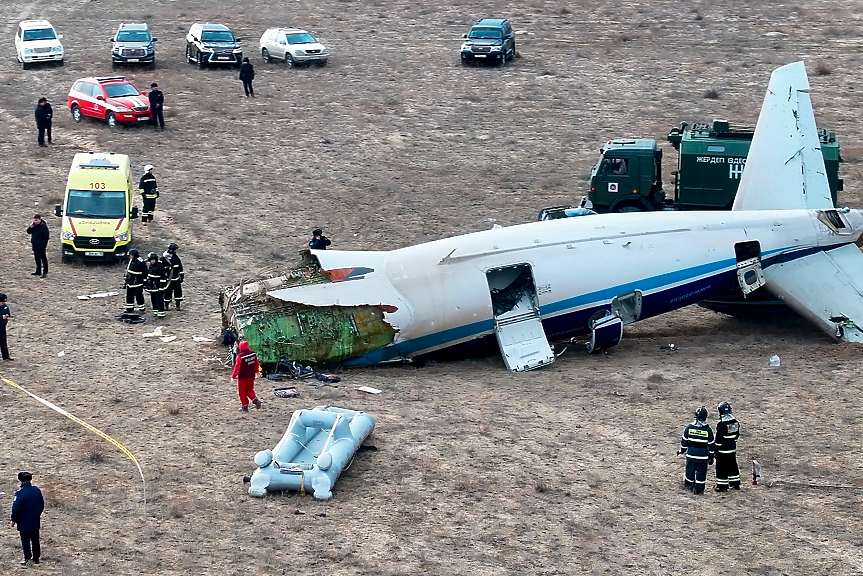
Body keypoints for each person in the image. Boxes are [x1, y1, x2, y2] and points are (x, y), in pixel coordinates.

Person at [9, 471, 44, 567]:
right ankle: (36, 558)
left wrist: (13, 519)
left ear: (20, 480)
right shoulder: (37, 490)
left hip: (24, 521)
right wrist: (37, 515)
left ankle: (27, 558)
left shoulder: (20, 493)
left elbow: (16, 508)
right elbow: (41, 505)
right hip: (35, 520)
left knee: (25, 541)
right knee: (35, 540)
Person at [678, 406, 715, 495]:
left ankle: (688, 487)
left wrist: (682, 450)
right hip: (703, 456)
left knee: (689, 471)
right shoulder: (708, 430)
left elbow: (684, 441)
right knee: (701, 473)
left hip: (691, 454)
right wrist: (711, 457)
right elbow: (711, 445)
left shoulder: (689, 428)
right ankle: (699, 490)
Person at [714, 401, 741, 491]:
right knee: (733, 466)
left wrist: (716, 449)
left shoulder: (721, 425)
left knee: (721, 468)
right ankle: (735, 484)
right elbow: (736, 436)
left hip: (723, 451)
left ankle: (722, 486)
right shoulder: (735, 422)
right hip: (732, 449)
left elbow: (719, 440)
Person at [231, 340, 262, 412]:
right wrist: (257, 372)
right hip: (251, 376)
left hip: (243, 377)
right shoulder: (253, 354)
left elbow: (237, 367)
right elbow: (256, 364)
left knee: (242, 392)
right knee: (250, 390)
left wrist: (233, 376)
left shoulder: (240, 356)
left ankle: (244, 407)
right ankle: (255, 400)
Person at [161, 243, 184, 310]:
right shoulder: (163, 258)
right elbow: (161, 269)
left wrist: (181, 276)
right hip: (168, 279)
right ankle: (166, 305)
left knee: (178, 292)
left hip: (176, 278)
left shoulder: (176, 258)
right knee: (167, 292)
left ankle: (178, 305)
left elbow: (180, 267)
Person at [124, 249, 148, 313]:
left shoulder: (141, 262)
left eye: (131, 255)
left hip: (138, 283)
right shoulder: (131, 261)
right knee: (129, 296)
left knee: (139, 296)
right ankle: (129, 308)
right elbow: (128, 271)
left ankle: (141, 309)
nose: (130, 257)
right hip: (130, 282)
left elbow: (145, 273)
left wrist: (145, 282)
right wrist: (126, 280)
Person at [145, 252, 167, 318]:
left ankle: (161, 313)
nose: (152, 261)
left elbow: (163, 277)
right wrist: (147, 284)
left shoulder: (160, 266)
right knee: (153, 299)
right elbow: (149, 276)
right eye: (151, 260)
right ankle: (155, 312)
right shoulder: (151, 266)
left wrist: (161, 286)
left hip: (158, 287)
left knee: (159, 300)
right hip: (152, 287)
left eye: (153, 260)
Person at [0, 294, 11, 361]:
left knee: (3, 343)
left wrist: (7, 314)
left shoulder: (4, 306)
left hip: (2, 327)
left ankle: (6, 357)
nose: (3, 304)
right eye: (2, 302)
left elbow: (7, 311)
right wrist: (1, 317)